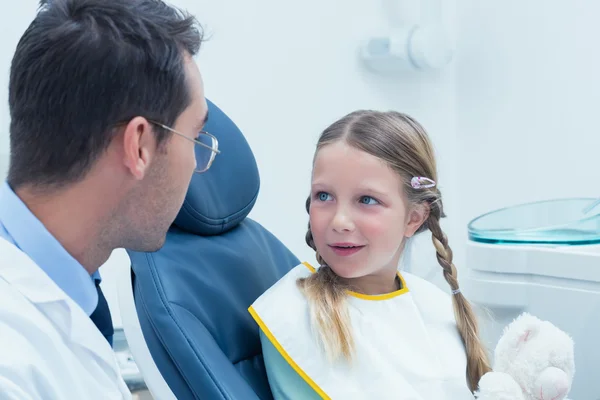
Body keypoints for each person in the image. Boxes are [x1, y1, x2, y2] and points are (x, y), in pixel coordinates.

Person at [0, 0, 216, 398]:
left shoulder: (71, 287)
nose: (199, 163)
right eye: (196, 139)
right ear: (138, 146)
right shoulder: (11, 368)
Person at [249, 110, 490, 399]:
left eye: (366, 200)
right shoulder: (295, 316)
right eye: (324, 196)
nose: (339, 221)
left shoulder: (437, 307)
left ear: (414, 218)